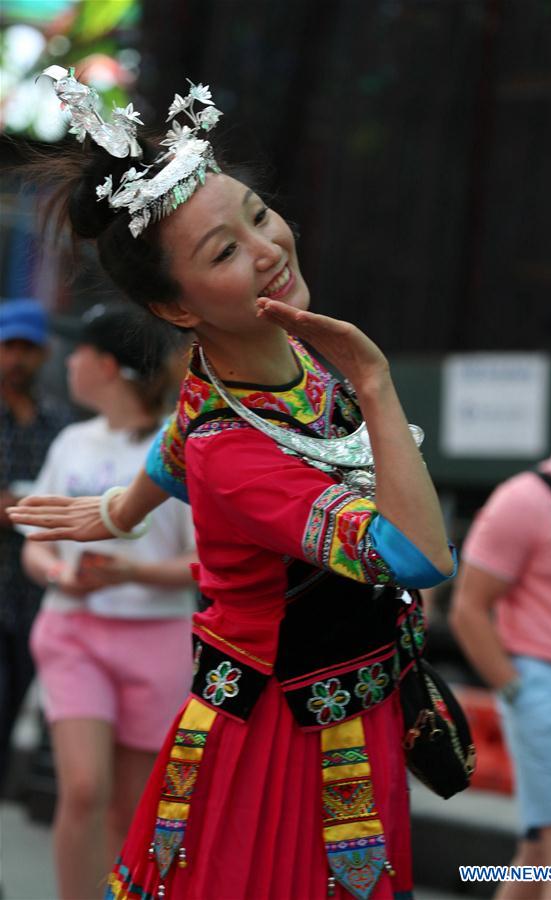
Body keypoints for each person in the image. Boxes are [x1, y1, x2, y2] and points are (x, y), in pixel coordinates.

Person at [9, 70, 456, 900]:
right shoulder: (241, 447)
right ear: (178, 310)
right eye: (223, 252)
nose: (267, 249)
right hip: (285, 737)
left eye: (257, 216)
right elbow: (417, 555)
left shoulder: (246, 363)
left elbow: (174, 441)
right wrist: (378, 382)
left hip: (348, 698)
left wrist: (119, 509)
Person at [19, 302, 197, 900]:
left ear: (107, 365)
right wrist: (55, 573)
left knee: (132, 810)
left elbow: (207, 564)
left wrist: (131, 573)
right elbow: (35, 544)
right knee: (84, 790)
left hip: (159, 642)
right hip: (73, 631)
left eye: (80, 353)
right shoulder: (71, 441)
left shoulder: (181, 446)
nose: (67, 363)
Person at [450, 363, 551, 900]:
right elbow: (469, 609)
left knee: (542, 857)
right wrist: (518, 692)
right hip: (546, 691)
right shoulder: (525, 500)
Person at [0, 298, 73, 789]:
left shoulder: (57, 423)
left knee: (10, 708)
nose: (18, 358)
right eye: (10, 347)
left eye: (28, 348)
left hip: (31, 591)